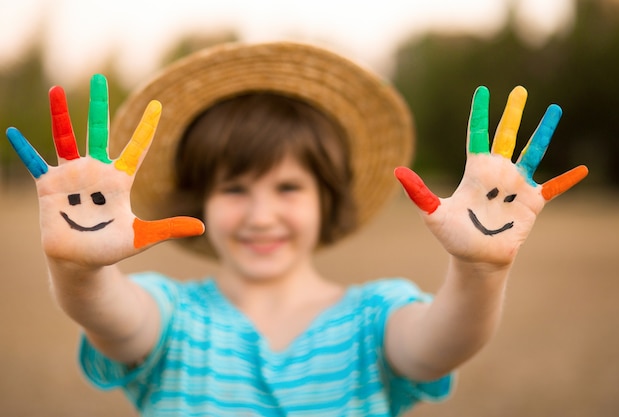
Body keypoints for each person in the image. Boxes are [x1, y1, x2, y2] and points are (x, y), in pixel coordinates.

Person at [6, 42, 588, 416]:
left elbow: (443, 343)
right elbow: (113, 316)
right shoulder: (173, 318)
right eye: (235, 189)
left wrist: (479, 270)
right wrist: (77, 271)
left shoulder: (374, 318)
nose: (261, 215)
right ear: (201, 200)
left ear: (326, 200)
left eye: (288, 188)